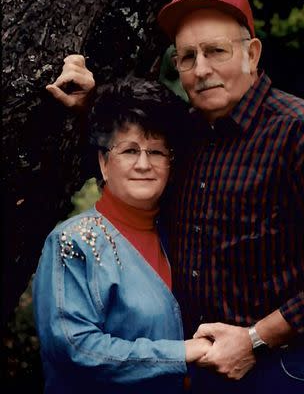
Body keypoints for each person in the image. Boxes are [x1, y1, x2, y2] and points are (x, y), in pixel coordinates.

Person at [47, 0, 304, 393]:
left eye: (216, 51)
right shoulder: (187, 132)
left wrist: (257, 337)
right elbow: (133, 146)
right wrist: (91, 101)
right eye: (187, 57)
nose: (202, 69)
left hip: (287, 368)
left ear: (252, 53)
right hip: (202, 369)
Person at [33, 78, 212, 394]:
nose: (144, 164)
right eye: (130, 150)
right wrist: (180, 353)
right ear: (103, 163)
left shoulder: (178, 234)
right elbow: (74, 349)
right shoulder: (71, 243)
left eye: (156, 152)